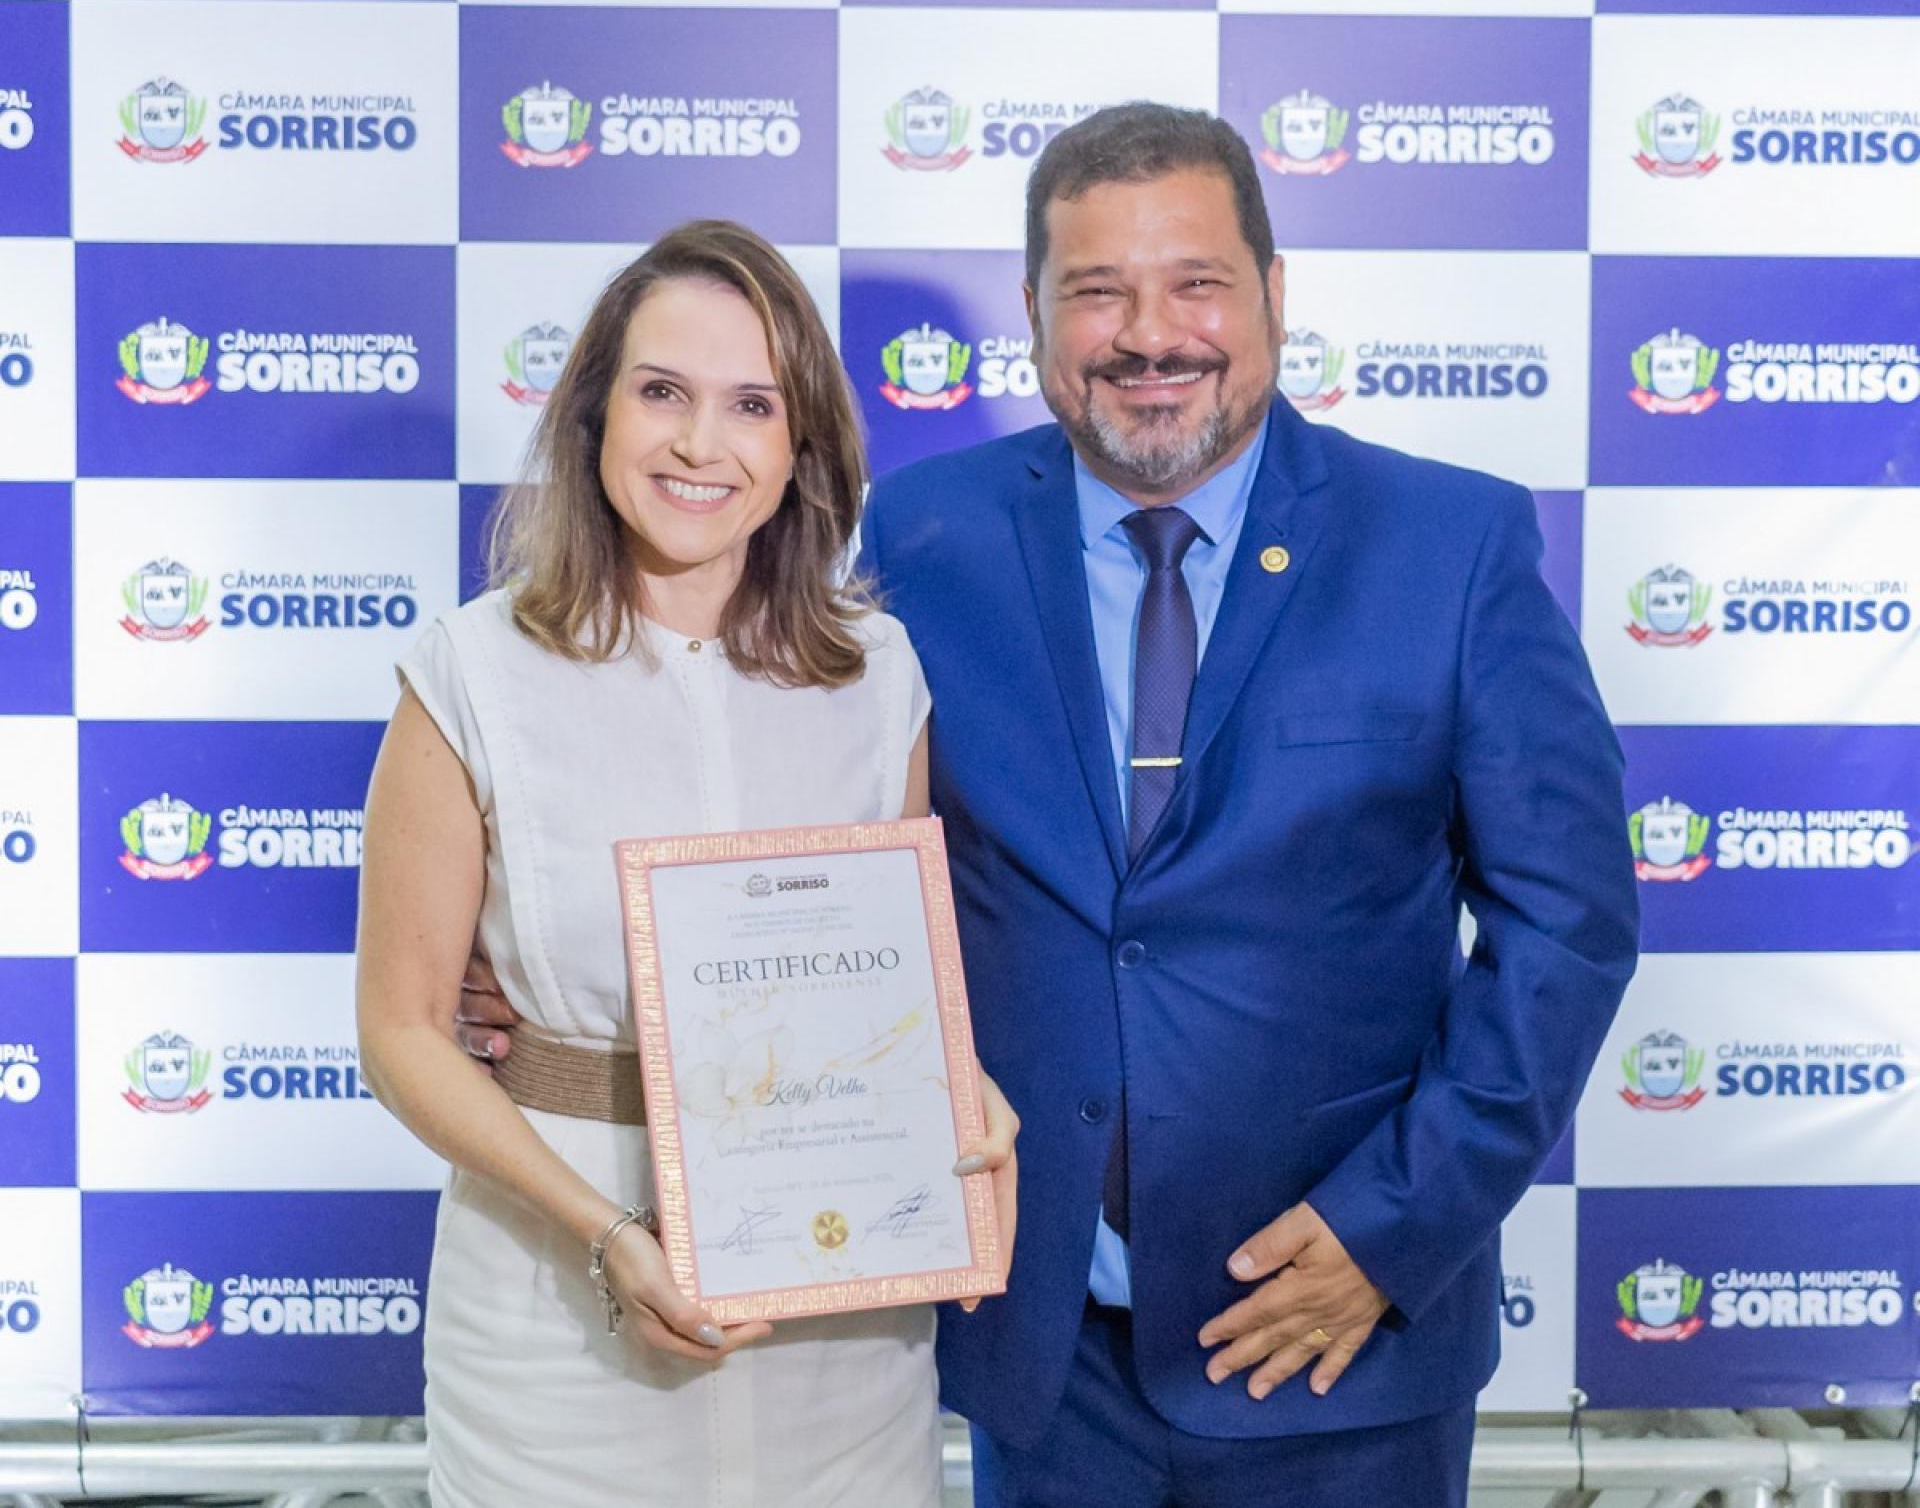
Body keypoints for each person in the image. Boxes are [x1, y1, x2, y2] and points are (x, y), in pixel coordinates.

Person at [463, 106, 1639, 1506]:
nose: (1150, 334)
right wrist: (541, 949)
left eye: (1196, 283)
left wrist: (1396, 1227)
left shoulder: (1451, 545)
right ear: (1031, 315)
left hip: (1339, 1345)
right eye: (1097, 291)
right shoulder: (925, 536)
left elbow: (1568, 926)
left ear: (1275, 293)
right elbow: (807, 808)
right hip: (1039, 1352)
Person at [357, 220, 1017, 1508]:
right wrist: (606, 1234)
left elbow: (893, 985)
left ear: (800, 446)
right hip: (554, 1324)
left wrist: (966, 1095)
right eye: (662, 392)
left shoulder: (878, 676)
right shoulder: (473, 671)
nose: (700, 444)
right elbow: (400, 1033)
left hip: (839, 1326)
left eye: (752, 405)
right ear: (595, 412)